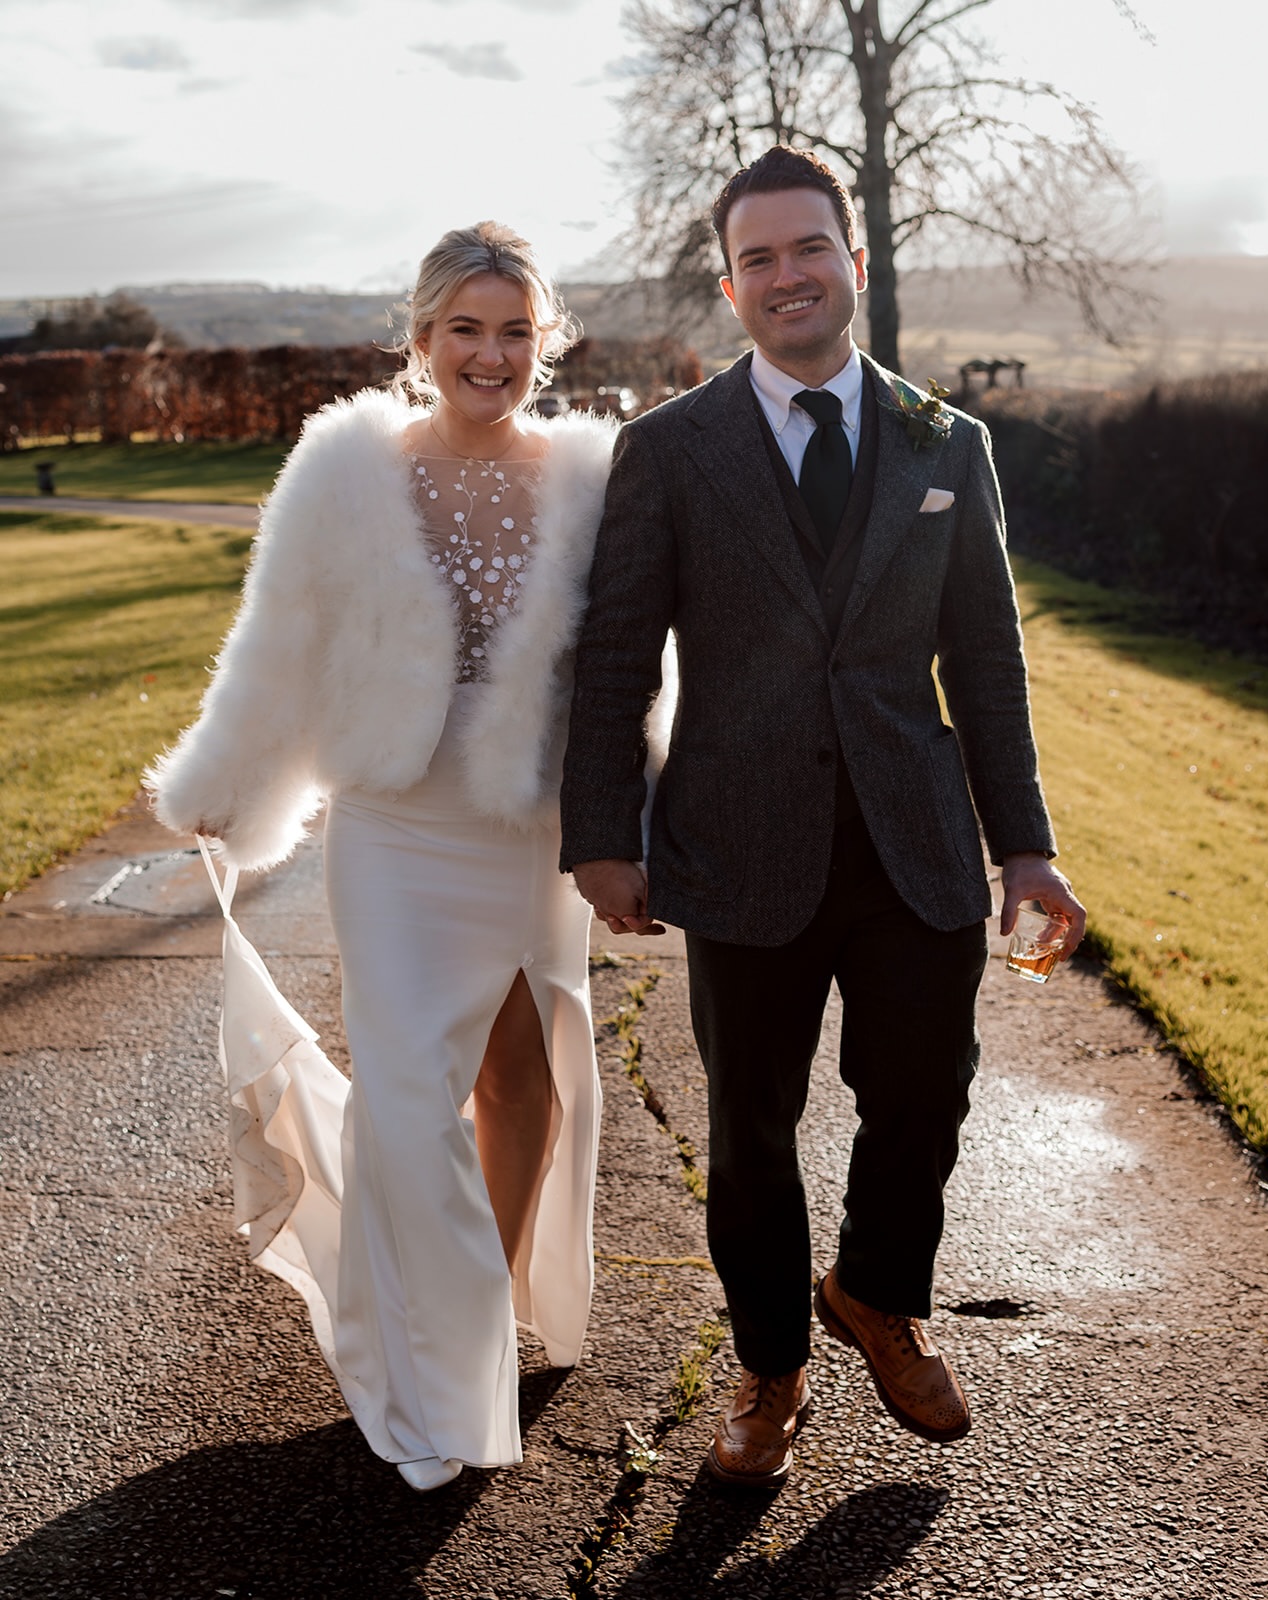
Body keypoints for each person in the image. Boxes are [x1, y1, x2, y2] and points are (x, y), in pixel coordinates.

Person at [559, 147, 1086, 1488]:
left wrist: (1024, 843)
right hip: (735, 847)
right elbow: (617, 656)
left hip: (913, 842)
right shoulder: (668, 453)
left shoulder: (944, 445)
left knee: (923, 1094)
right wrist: (601, 834)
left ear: (853, 264)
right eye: (758, 260)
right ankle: (769, 1365)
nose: (786, 276)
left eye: (810, 250)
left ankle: (875, 1288)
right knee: (750, 1126)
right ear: (732, 288)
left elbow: (988, 659)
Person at [146, 222, 621, 1492]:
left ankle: (488, 1316)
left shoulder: (591, 479)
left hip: (528, 828)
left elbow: (636, 673)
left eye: (514, 329)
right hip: (396, 830)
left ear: (545, 342)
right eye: (463, 328)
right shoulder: (342, 472)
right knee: (413, 1098)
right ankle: (441, 1366)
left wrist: (649, 819)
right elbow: (277, 641)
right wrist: (220, 780)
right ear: (418, 342)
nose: (489, 353)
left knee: (523, 1076)